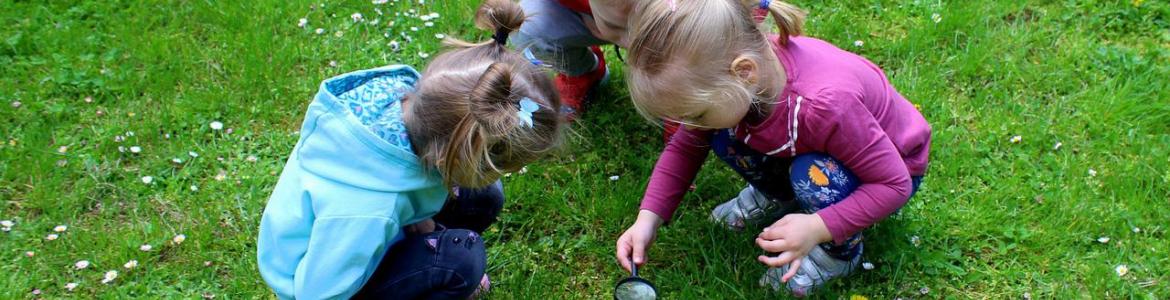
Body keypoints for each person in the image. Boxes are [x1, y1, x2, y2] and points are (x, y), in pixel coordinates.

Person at [613, 0, 932, 296]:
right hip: (818, 146)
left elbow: (893, 184)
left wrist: (817, 227)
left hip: (889, 169)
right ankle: (781, 195)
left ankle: (837, 255)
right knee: (721, 135)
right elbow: (685, 147)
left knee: (811, 173)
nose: (689, 124)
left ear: (743, 73)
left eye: (695, 114)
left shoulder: (825, 106)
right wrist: (647, 219)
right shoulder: (741, 83)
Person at [257, 0, 564, 298]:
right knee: (461, 262)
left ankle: (426, 251)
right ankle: (432, 272)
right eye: (499, 166)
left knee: (484, 195)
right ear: (448, 156)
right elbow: (316, 293)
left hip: (367, 227)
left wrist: (413, 209)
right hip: (327, 280)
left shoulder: (411, 109)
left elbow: (394, 178)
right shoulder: (363, 213)